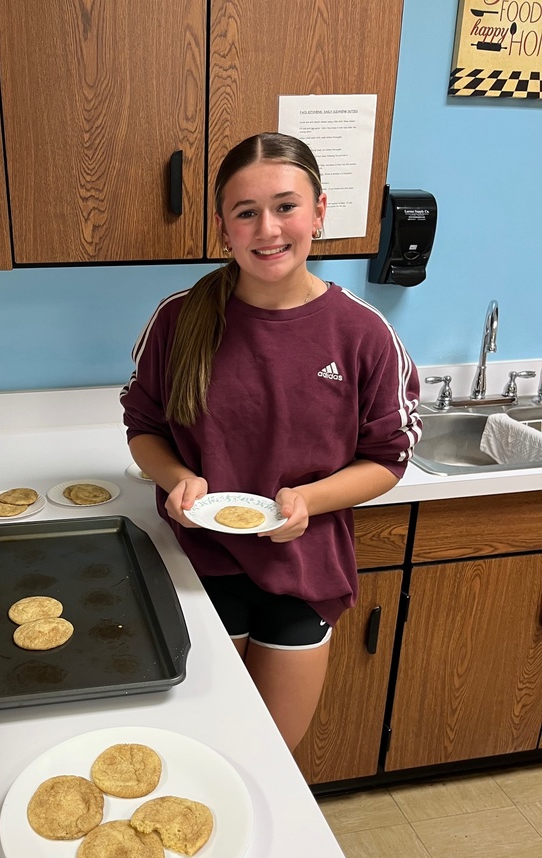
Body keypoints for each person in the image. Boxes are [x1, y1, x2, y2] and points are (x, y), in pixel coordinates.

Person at [120, 132, 420, 752]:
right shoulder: (181, 318)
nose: (268, 228)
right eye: (246, 212)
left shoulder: (362, 334)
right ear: (224, 227)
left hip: (302, 568)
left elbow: (389, 458)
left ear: (319, 213)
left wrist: (311, 500)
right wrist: (177, 478)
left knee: (270, 759)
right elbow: (143, 428)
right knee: (198, 750)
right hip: (195, 566)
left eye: (286, 206)